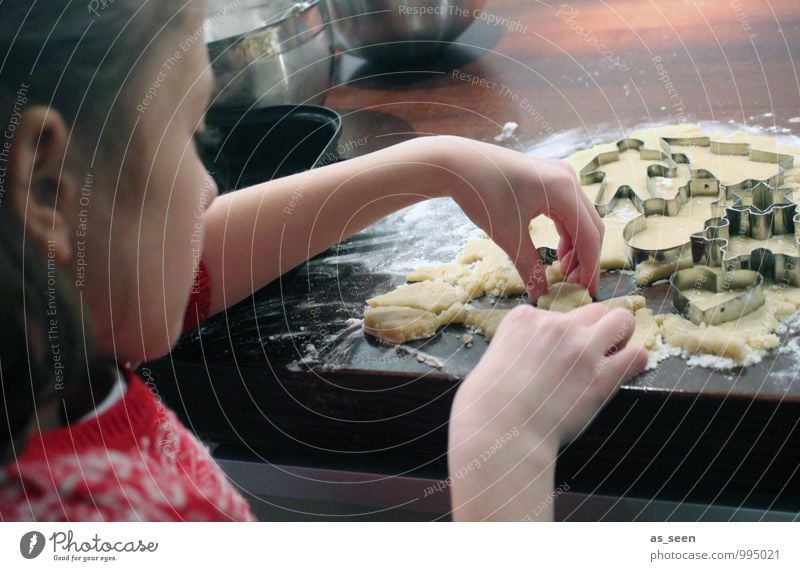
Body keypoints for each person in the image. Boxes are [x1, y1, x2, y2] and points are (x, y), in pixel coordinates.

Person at [0, 1, 647, 521]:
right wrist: (509, 448)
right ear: (49, 187)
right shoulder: (100, 517)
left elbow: (156, 267)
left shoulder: (49, 335)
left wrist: (438, 164)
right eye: (191, 137)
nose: (207, 191)